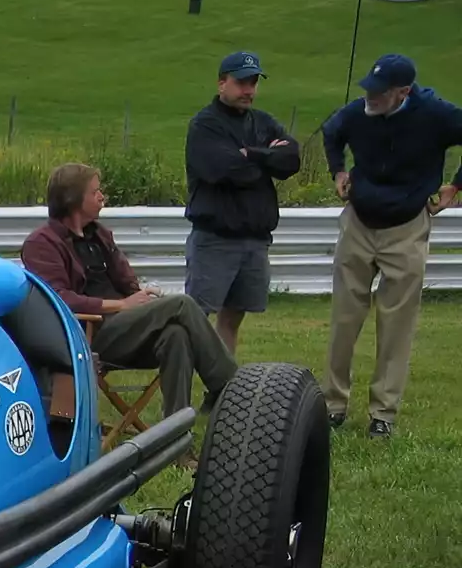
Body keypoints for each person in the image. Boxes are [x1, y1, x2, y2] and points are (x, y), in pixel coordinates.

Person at [21, 163, 237, 427]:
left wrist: (140, 297)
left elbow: (126, 281)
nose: (102, 197)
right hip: (88, 333)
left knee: (176, 335)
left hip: (125, 328)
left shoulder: (99, 235)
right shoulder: (42, 243)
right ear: (72, 199)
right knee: (181, 304)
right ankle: (231, 388)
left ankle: (175, 432)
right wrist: (121, 305)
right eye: (95, 192)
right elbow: (59, 299)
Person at [320, 53, 462, 437]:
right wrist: (338, 171)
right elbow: (331, 132)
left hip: (406, 226)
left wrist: (455, 185)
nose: (371, 96)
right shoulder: (358, 112)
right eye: (370, 88)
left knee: (397, 324)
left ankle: (383, 414)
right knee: (344, 319)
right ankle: (332, 405)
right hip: (359, 221)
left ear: (403, 92)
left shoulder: (436, 114)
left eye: (380, 92)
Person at [184, 49, 300, 356]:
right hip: (215, 238)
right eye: (241, 83)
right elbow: (225, 170)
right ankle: (179, 380)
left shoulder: (262, 122)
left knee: (233, 317)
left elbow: (291, 159)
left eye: (253, 83)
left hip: (255, 238)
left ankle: (222, 380)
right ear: (222, 83)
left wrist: (253, 154)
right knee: (195, 319)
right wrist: (266, 161)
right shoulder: (205, 125)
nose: (248, 90)